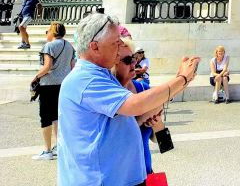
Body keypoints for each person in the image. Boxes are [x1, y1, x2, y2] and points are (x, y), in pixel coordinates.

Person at [58, 12, 198, 186]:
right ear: (94, 47)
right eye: (115, 44)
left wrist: (182, 81)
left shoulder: (102, 76)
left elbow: (134, 124)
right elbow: (135, 105)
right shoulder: (86, 79)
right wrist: (182, 79)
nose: (119, 51)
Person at [31, 21, 75, 160]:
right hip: (63, 84)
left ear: (53, 31)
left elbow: (47, 66)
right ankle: (59, 146)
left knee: (45, 117)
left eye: (48, 30)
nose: (47, 33)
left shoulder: (49, 46)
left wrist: (35, 77)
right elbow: (72, 65)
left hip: (48, 84)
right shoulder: (69, 46)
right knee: (57, 116)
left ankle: (47, 151)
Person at [113, 38, 155, 176]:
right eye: (127, 60)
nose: (133, 63)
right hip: (118, 177)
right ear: (112, 64)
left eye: (133, 58)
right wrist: (140, 119)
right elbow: (115, 140)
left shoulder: (144, 88)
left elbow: (162, 142)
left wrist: (156, 122)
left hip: (146, 173)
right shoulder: (107, 95)